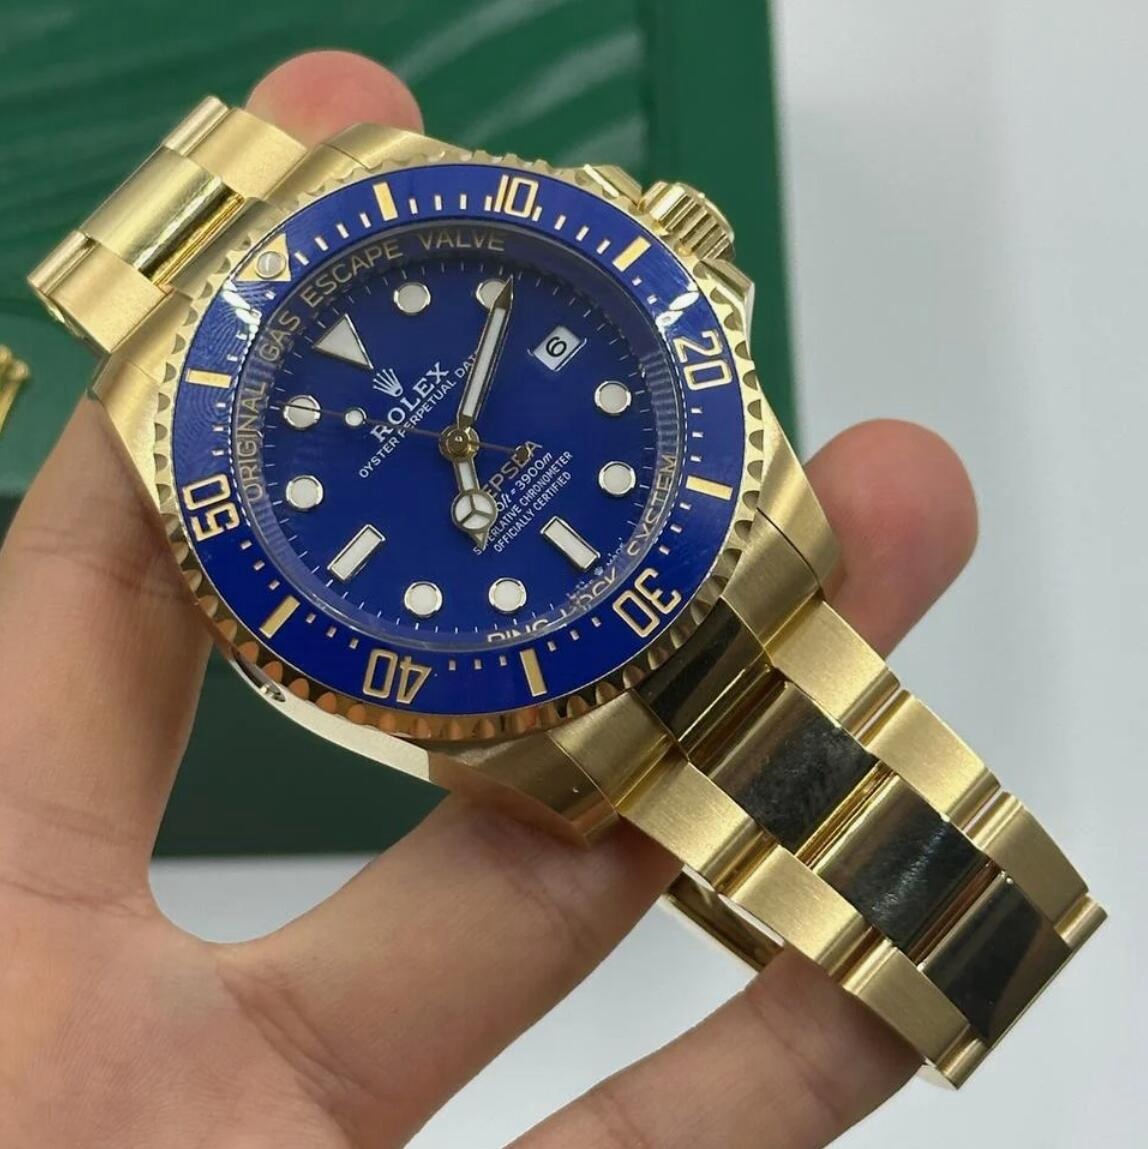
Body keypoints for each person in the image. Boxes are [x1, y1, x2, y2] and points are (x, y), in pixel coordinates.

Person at [0, 51, 978, 1148]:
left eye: (457, 433)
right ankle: (942, 931)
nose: (456, 440)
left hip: (701, 556)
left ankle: (958, 921)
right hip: (568, 693)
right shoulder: (218, 447)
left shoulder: (390, 191)